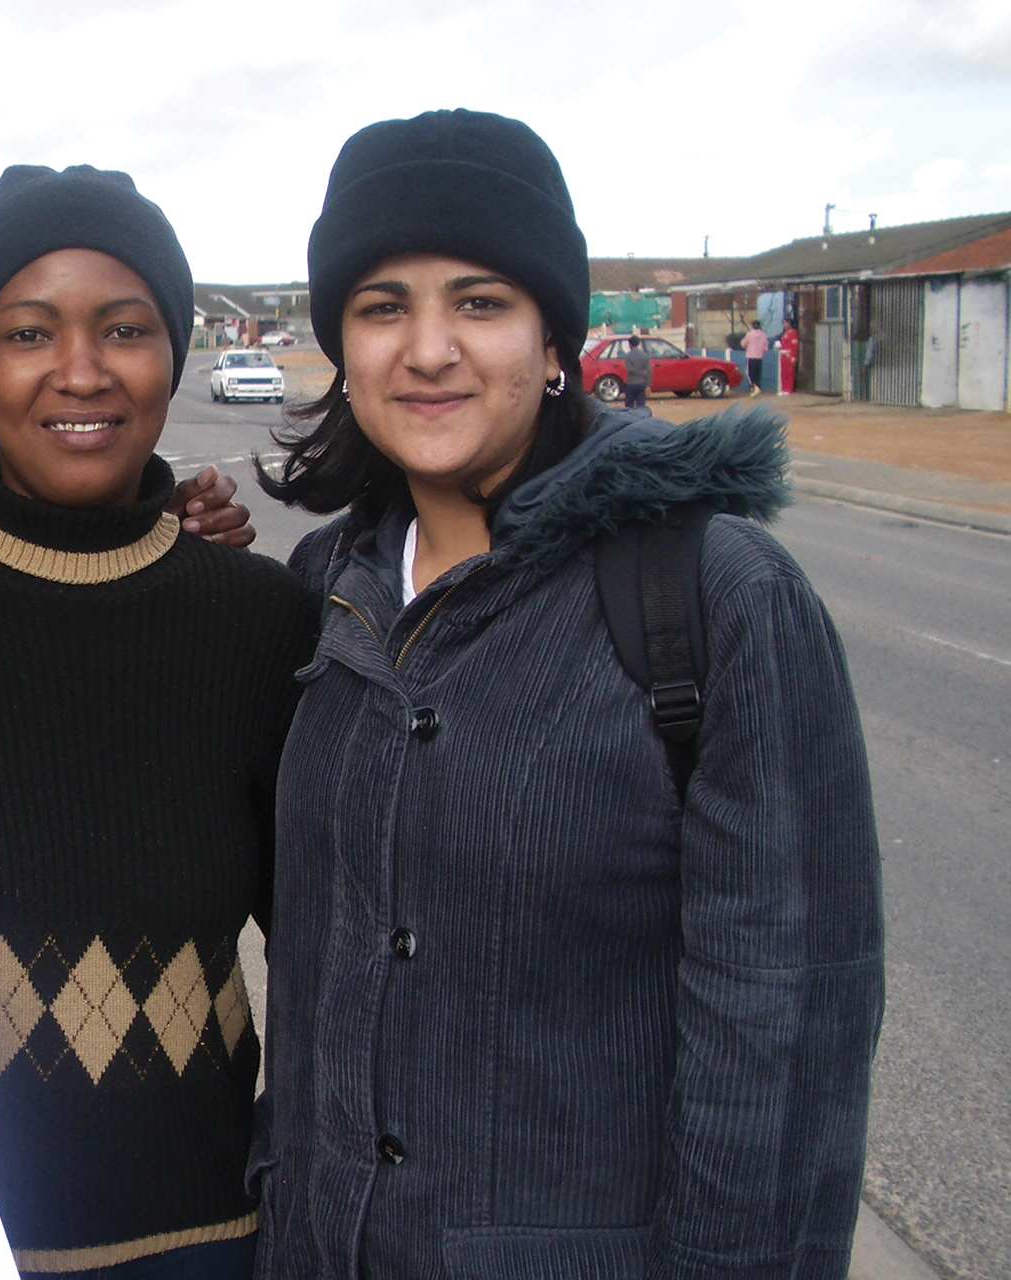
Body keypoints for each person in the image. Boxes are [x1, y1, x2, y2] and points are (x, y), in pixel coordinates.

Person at [252, 109, 883, 1279]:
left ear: (555, 339)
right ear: (343, 342)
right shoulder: (326, 588)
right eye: (382, 305)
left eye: (480, 302)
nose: (428, 348)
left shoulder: (716, 598)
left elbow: (784, 1041)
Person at [0, 164, 316, 1280]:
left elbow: (335, 959)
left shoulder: (261, 622)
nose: (79, 371)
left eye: (126, 328)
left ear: (173, 355)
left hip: (198, 1243)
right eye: (29, 331)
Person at [621, 331, 652, 410]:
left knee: (629, 407)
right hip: (642, 384)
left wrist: (640, 372)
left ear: (630, 344)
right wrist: (648, 385)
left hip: (631, 384)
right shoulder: (644, 355)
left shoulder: (627, 356)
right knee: (641, 406)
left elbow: (630, 369)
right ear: (638, 344)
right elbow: (649, 371)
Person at [743, 317, 771, 394]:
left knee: (749, 374)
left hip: (751, 357)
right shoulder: (763, 335)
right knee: (757, 375)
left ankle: (755, 387)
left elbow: (743, 344)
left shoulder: (749, 334)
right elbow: (766, 348)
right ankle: (756, 389)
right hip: (759, 358)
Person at [780, 322, 800, 393]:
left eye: (785, 323)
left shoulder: (793, 333)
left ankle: (789, 389)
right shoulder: (785, 333)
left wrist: (793, 356)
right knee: (783, 373)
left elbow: (794, 345)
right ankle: (784, 388)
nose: (784, 325)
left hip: (789, 355)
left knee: (789, 372)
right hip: (783, 355)